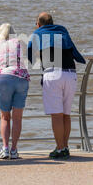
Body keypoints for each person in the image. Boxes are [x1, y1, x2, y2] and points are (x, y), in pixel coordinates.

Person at [28, 12, 86, 159]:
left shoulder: (38, 32)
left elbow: (29, 52)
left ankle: (59, 149)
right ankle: (65, 147)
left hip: (53, 74)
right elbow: (73, 50)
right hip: (70, 73)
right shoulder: (62, 30)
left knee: (56, 116)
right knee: (66, 115)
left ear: (38, 24)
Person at [0, 23, 30, 159]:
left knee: (5, 117)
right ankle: (14, 150)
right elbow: (29, 58)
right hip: (21, 78)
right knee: (17, 117)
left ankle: (4, 149)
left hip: (4, 78)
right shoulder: (19, 43)